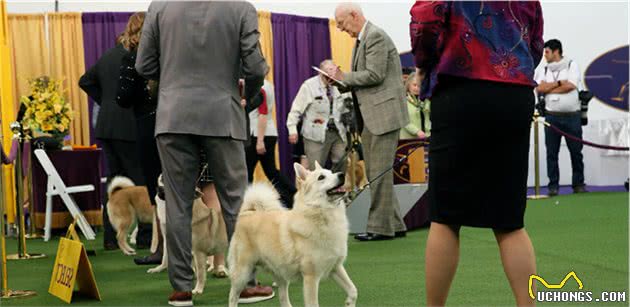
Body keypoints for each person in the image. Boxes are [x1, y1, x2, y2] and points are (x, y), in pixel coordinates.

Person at [135, 2, 272, 306]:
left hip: (173, 115)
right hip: (222, 112)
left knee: (178, 203)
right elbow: (254, 67)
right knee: (235, 202)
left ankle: (182, 289)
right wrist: (246, 97)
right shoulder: (241, 9)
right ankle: (246, 284)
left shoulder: (159, 7)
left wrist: (173, 79)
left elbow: (144, 65)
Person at [410, 1, 543, 305]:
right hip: (514, 94)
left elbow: (425, 19)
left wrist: (424, 63)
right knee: (509, 220)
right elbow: (535, 41)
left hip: (461, 89)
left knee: (445, 217)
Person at [329, 3, 409, 241]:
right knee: (378, 171)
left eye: (342, 24)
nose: (342, 30)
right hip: (374, 116)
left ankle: (380, 228)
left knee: (378, 173)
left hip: (382, 115)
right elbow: (365, 78)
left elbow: (374, 74)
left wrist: (344, 77)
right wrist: (339, 82)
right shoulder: (365, 39)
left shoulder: (375, 36)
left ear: (354, 16)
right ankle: (396, 223)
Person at [79, 25, 147, 251]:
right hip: (128, 125)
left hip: (106, 126)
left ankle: (110, 237)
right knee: (140, 180)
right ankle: (146, 236)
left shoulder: (107, 55)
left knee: (113, 183)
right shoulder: (136, 56)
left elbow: (85, 81)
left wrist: (106, 100)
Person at [114, 12, 163, 265]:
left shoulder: (132, 59)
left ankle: (161, 249)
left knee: (158, 191)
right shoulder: (165, 55)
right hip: (173, 123)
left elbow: (122, 98)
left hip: (147, 125)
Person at [535, 39, 588, 196]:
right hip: (552, 117)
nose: (544, 55)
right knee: (552, 153)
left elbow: (571, 85)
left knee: (576, 152)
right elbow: (539, 88)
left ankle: (578, 184)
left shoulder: (571, 65)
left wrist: (549, 88)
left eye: (547, 52)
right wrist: (559, 83)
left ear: (556, 51)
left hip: (572, 117)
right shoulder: (543, 69)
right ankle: (553, 186)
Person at [287, 59, 352, 172]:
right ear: (320, 73)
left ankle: (338, 187)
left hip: (338, 131)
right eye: (328, 71)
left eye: (333, 70)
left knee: (341, 160)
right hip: (315, 134)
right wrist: (292, 129)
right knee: (316, 168)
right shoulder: (309, 86)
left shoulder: (341, 85)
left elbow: (348, 106)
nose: (331, 75)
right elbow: (296, 109)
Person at [246, 80, 296, 208]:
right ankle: (292, 197)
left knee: (247, 171)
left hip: (258, 134)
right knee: (271, 171)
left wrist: (260, 141)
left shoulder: (259, 87)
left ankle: (246, 202)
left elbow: (262, 114)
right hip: (268, 133)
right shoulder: (268, 85)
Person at [399, 71, 431, 140]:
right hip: (408, 141)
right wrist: (417, 131)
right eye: (414, 85)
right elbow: (404, 121)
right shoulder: (403, 101)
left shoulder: (427, 101)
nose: (417, 88)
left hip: (427, 139)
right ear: (409, 85)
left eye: (419, 86)